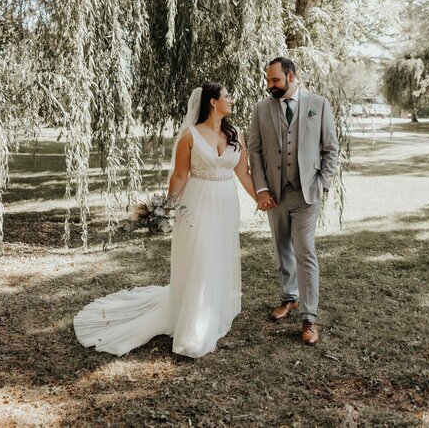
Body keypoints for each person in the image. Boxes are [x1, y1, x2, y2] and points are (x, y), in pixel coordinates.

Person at [73, 82, 257, 358]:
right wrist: (166, 207)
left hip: (226, 204)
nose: (231, 100)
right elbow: (180, 176)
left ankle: (214, 308)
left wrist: (260, 199)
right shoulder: (190, 135)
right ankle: (194, 326)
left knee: (219, 254)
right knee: (199, 257)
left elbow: (244, 173)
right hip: (196, 204)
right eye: (227, 96)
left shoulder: (235, 134)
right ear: (212, 103)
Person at [247, 57, 339, 346]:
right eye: (268, 80)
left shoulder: (318, 104)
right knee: (281, 248)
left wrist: (322, 184)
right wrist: (261, 190)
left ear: (290, 76)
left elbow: (331, 149)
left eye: (274, 80)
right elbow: (255, 152)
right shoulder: (262, 108)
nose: (269, 85)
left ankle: (310, 317)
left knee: (305, 251)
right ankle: (290, 298)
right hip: (274, 194)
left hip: (306, 194)